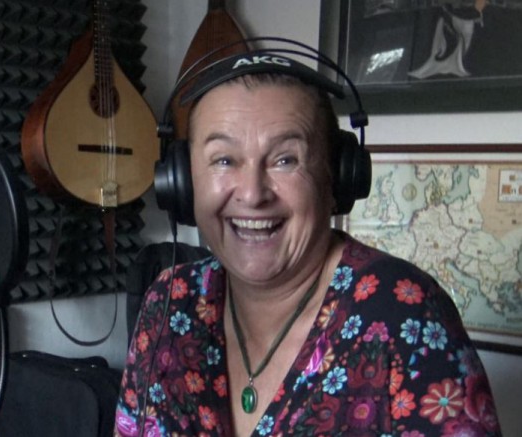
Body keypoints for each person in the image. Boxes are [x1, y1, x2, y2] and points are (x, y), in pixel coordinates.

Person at [114, 42, 502, 436]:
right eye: (224, 160)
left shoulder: (405, 312)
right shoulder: (169, 302)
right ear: (181, 183)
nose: (252, 193)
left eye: (285, 159)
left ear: (337, 178)